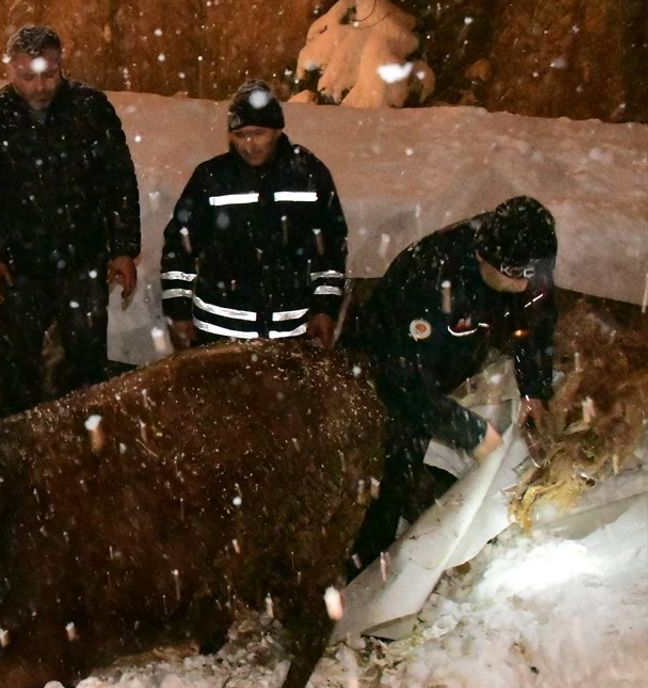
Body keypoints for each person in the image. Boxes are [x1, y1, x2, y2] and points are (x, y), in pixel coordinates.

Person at [344, 196, 558, 575]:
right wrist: (470, 432)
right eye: (515, 274)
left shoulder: (523, 257)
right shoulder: (428, 277)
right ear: (483, 257)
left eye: (532, 273)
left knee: (433, 461)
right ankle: (361, 582)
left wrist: (534, 390)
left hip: (445, 365)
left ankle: (422, 526)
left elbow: (535, 321)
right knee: (389, 471)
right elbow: (403, 383)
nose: (525, 283)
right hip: (381, 373)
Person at [0, 25, 141, 417]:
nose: (39, 86)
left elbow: (119, 180)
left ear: (61, 66)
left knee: (86, 366)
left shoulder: (90, 110)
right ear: (10, 71)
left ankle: (86, 442)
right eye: (28, 76)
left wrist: (123, 248)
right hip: (19, 265)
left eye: (49, 74)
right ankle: (21, 443)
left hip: (82, 259)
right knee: (17, 366)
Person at [159, 79, 348, 349]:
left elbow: (331, 247)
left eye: (258, 133)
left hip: (292, 335)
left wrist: (325, 308)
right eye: (240, 135)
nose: (249, 145)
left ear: (277, 129)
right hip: (219, 335)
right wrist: (177, 313)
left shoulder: (309, 176)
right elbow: (179, 247)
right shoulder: (210, 179)